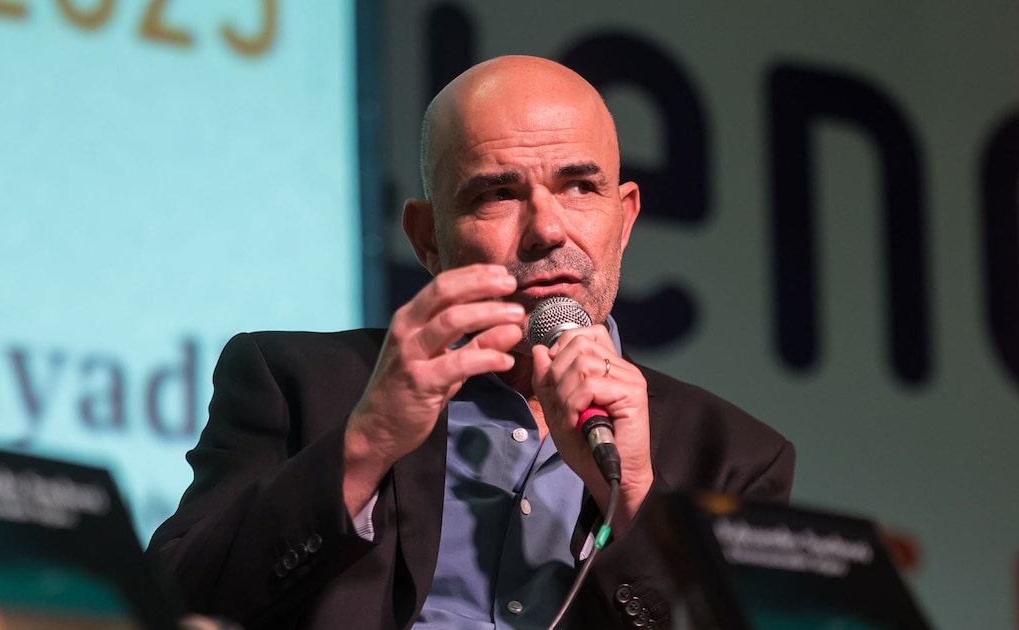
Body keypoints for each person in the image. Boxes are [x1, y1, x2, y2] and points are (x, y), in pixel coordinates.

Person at [148, 55, 794, 629]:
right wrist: (367, 442)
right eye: (497, 194)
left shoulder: (732, 457)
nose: (547, 229)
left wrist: (634, 504)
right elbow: (164, 604)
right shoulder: (297, 383)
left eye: (579, 186)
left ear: (623, 219)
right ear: (428, 238)